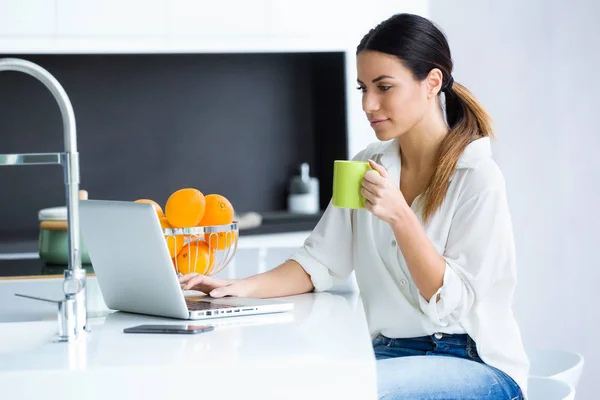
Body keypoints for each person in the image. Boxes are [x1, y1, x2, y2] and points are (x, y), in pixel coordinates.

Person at [180, 13, 529, 399]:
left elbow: (449, 305)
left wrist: (399, 215)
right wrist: (238, 287)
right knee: (281, 386)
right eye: (363, 87)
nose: (368, 103)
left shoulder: (477, 176)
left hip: (471, 362)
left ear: (431, 83)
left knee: (347, 392)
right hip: (388, 354)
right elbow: (319, 263)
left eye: (384, 87)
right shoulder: (367, 164)